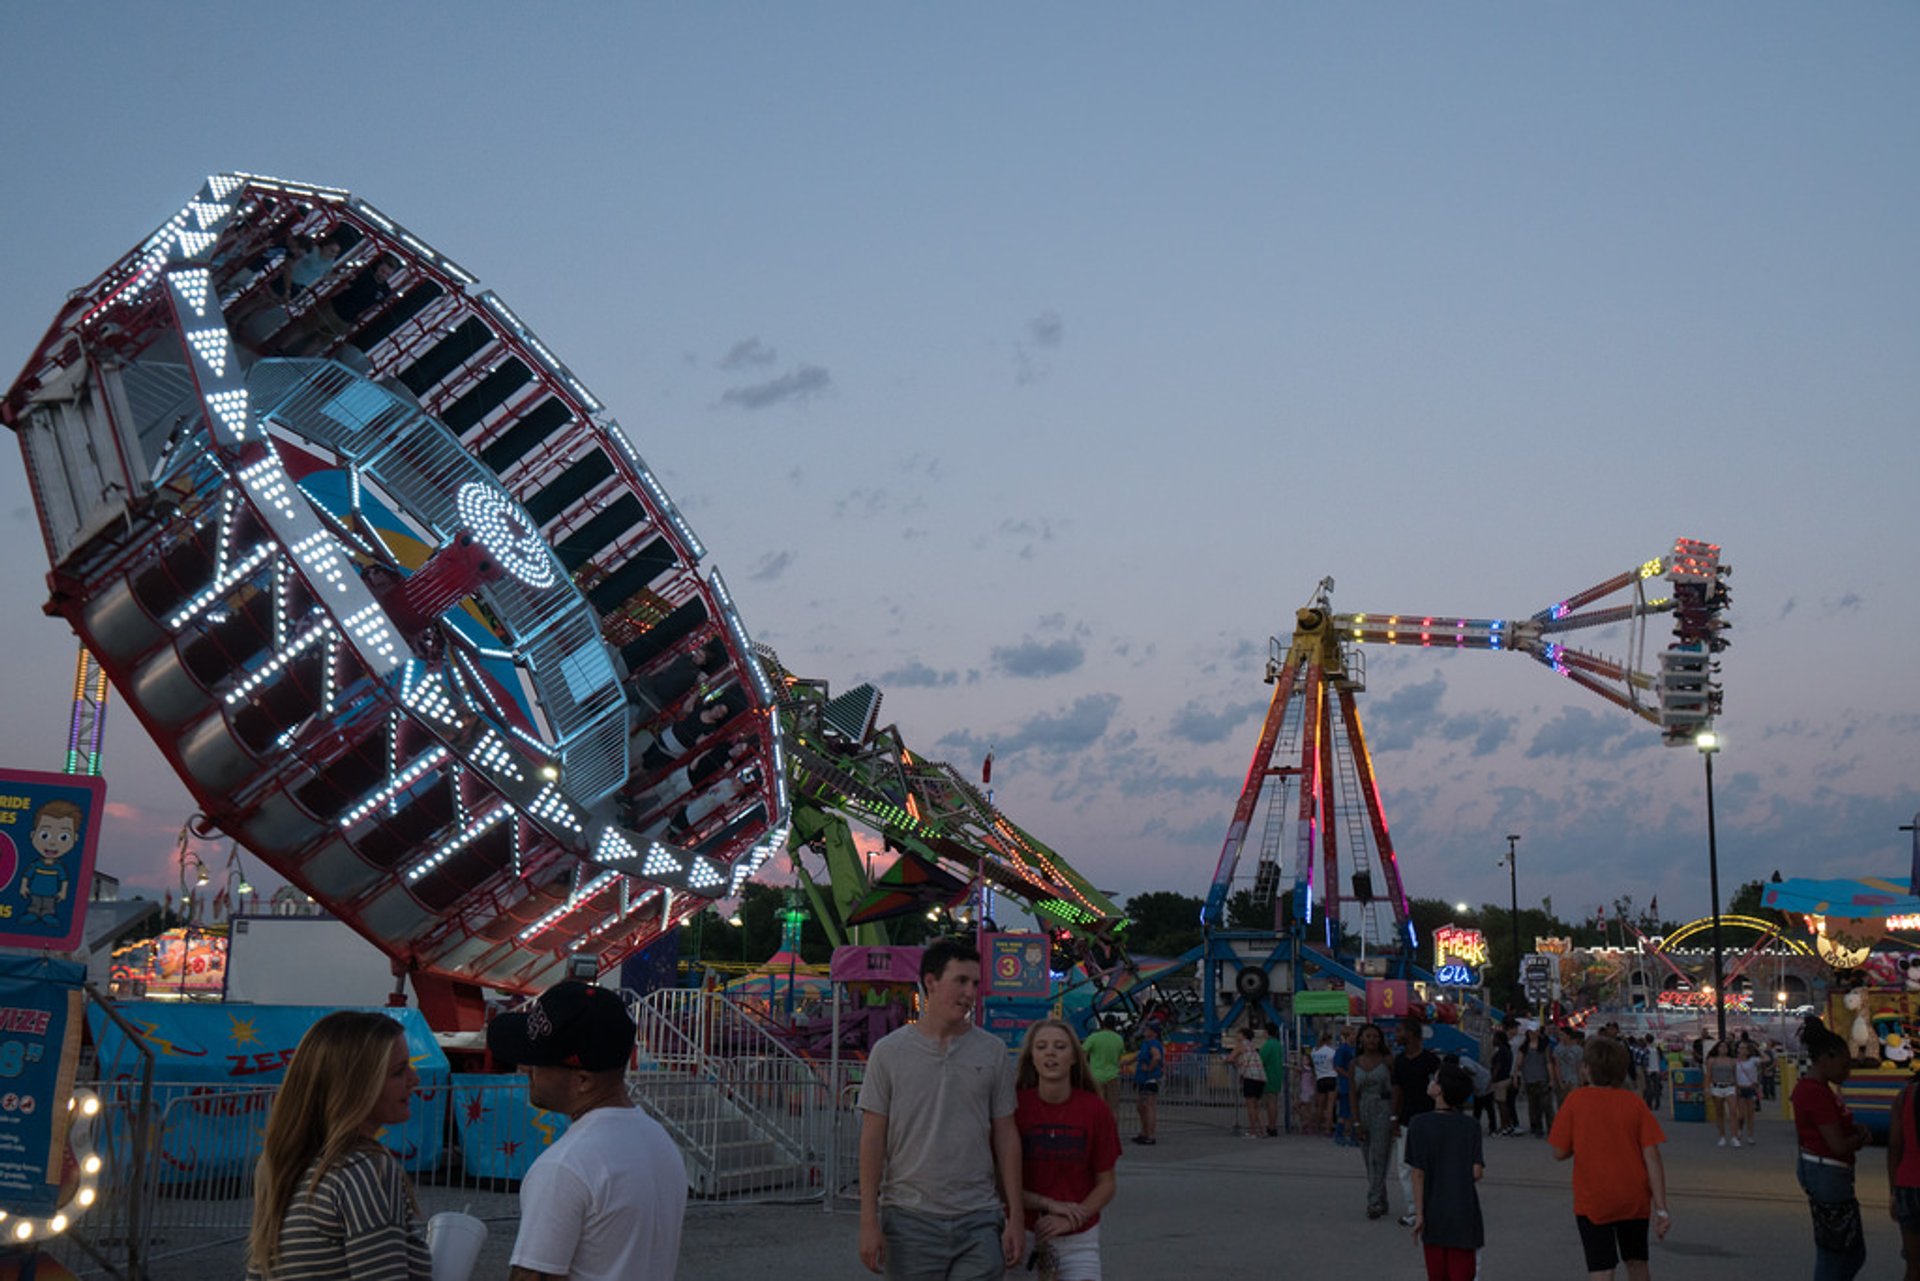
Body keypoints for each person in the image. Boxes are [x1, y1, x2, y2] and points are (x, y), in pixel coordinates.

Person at [488, 980, 685, 1281]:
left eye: (538, 1061)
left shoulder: (564, 1167)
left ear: (583, 1080)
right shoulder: (659, 1141)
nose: (525, 1067)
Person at [858, 938, 1023, 1278]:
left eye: (975, 983)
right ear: (931, 982)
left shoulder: (992, 1052)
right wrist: (868, 1220)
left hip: (979, 1215)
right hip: (910, 1217)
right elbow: (873, 1138)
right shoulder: (889, 1053)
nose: (969, 992)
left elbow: (1006, 1134)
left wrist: (1015, 1216)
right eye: (960, 981)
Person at [246, 1011, 429, 1281]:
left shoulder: (280, 1165)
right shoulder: (365, 1170)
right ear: (356, 1086)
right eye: (398, 1072)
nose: (415, 1080)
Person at [1548, 1036, 1671, 1281]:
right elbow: (1652, 1158)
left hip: (1594, 1199)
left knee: (1602, 1268)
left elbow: (1558, 1152)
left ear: (1586, 1069)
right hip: (1633, 1198)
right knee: (1637, 1262)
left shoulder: (1575, 1101)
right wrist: (1662, 1209)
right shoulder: (1634, 1104)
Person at [1014, 1018, 1121, 1280]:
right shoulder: (1014, 1108)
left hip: (1079, 1237)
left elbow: (1106, 1183)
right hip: (1023, 1231)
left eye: (1060, 1046)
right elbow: (999, 1181)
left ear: (1074, 1057)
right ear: (1032, 1058)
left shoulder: (1095, 1110)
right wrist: (1047, 1204)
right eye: (1042, 1047)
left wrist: (1073, 1217)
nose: (1050, 1052)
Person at [1793, 1018, 1870, 1281]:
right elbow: (1836, 1144)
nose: (1847, 1072)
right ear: (1826, 1058)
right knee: (1837, 1252)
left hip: (1825, 1170)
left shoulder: (1817, 1090)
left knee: (1844, 1251)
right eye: (1844, 1065)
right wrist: (1859, 1138)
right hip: (1827, 1172)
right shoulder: (1815, 1093)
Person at [1405, 1063, 1485, 1281]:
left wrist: (1419, 1214)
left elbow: (1417, 1173)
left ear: (1440, 1090)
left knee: (1437, 1274)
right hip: (1464, 1214)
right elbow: (1476, 1172)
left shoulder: (1418, 1124)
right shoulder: (1471, 1127)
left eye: (1435, 1079)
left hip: (1433, 1213)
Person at [1390, 1018, 1441, 1227]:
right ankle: (1414, 1208)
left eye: (1400, 1031)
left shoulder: (1431, 1061)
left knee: (1430, 1165)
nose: (1396, 1034)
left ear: (1411, 1034)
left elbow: (1440, 1088)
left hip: (1430, 1119)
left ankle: (1431, 1207)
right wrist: (1394, 1117)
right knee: (1405, 1166)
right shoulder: (1400, 1061)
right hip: (1406, 1120)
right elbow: (1397, 1091)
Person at [1349, 1023, 1395, 1220]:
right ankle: (1382, 1199)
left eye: (1376, 1037)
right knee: (1369, 1159)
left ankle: (1373, 1201)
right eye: (1368, 1036)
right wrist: (1356, 1122)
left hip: (1382, 1109)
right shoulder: (1354, 1064)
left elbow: (1396, 1090)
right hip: (1363, 1109)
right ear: (1361, 1039)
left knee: (1379, 1156)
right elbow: (1352, 1093)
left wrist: (1394, 1116)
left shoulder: (1388, 1061)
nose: (1372, 1040)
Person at [1886, 1059, 1920, 1281]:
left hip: (1909, 1185)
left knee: (1914, 1266)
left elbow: (1894, 1148)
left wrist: (1893, 1193)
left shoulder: (1905, 1095)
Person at [1081, 1017, 1126, 1113]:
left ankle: (1097, 1127)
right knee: (1113, 1108)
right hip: (1113, 1076)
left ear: (1102, 1024)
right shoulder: (1119, 1039)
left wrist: (1085, 1069)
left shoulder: (1094, 1037)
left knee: (1095, 1106)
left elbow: (1082, 1053)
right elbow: (1120, 1057)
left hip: (1096, 1077)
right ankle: (1112, 1127)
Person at [1131, 1019, 1164, 1145]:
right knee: (1141, 1106)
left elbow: (1156, 1057)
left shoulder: (1153, 1044)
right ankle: (1144, 1132)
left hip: (1149, 1078)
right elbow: (1137, 1056)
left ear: (1154, 1033)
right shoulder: (1146, 1043)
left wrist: (1150, 1068)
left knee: (1148, 1106)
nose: (1145, 1030)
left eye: (1148, 1029)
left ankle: (1150, 1135)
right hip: (1142, 1078)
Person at [1518, 1025, 1554, 1136]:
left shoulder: (1544, 1046)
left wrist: (1552, 1079)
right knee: (1534, 1105)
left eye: (1535, 1032)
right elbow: (1519, 1064)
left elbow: (1548, 1062)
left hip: (1542, 1078)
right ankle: (1536, 1126)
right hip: (1529, 1079)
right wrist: (1518, 1076)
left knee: (1547, 1105)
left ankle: (1551, 1128)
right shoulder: (1524, 1047)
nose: (1533, 1034)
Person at [1232, 1027, 1267, 1137]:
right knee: (1257, 1106)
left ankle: (1253, 1131)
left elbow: (1230, 1057)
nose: (1236, 1036)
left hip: (1249, 1077)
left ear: (1243, 1035)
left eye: (1238, 1033)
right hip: (1260, 1077)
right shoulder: (1252, 1047)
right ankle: (1263, 1131)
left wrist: (1228, 1060)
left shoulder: (1241, 1046)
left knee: (1250, 1106)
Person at [1706, 1040, 1739, 1147]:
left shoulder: (1732, 1061)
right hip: (1717, 1087)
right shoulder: (1712, 1060)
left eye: (1725, 1047)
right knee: (1720, 1113)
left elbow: (1735, 1075)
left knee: (1733, 1111)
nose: (1723, 1048)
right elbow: (1708, 1075)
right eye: (1721, 1046)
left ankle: (1734, 1136)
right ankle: (1722, 1136)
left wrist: (1737, 1087)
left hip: (1730, 1086)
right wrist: (1707, 1089)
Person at [1489, 1022, 1518, 1136]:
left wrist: (1492, 1079)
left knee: (1501, 1104)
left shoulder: (1501, 1051)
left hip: (1500, 1080)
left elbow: (1497, 1067)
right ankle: (1508, 1125)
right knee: (1504, 1103)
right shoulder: (1507, 1050)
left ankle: (1504, 1126)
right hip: (1506, 1078)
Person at [1258, 1022, 1286, 1137]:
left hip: (1267, 1076)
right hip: (1277, 1075)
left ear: (1266, 1032)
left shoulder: (1268, 1045)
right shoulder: (1278, 1044)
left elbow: (1261, 1059)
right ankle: (1273, 1126)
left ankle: (1269, 1126)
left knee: (1268, 1103)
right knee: (1273, 1102)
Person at [1310, 1028, 1340, 1137]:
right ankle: (1328, 1128)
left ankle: (1318, 1127)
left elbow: (1313, 1066)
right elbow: (1336, 1065)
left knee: (1320, 1105)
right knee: (1330, 1105)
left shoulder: (1314, 1051)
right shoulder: (1331, 1051)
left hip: (1320, 1078)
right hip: (1331, 1077)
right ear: (1328, 1040)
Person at [1733, 1041, 1763, 1146]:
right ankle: (1739, 1130)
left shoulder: (1753, 1060)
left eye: (1743, 1048)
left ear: (1748, 1050)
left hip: (1750, 1088)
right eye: (1740, 1048)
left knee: (1751, 1113)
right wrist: (1736, 1087)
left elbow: (1766, 1059)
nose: (1741, 1050)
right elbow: (1733, 1076)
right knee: (1741, 1114)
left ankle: (1750, 1135)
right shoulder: (1735, 1061)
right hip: (1740, 1088)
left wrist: (1757, 1049)